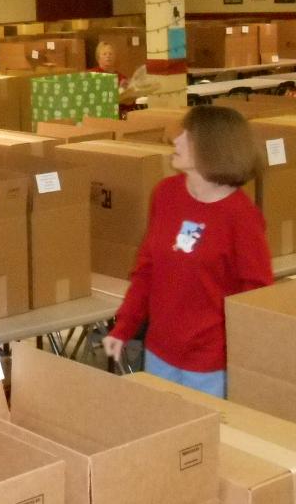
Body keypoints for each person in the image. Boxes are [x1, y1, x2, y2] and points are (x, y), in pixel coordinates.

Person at [102, 105, 273, 398]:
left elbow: (256, 297)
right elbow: (147, 269)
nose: (175, 140)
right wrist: (124, 327)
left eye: (187, 136)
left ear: (213, 147)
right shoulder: (166, 194)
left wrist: (243, 359)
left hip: (210, 364)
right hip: (159, 351)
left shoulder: (241, 216)